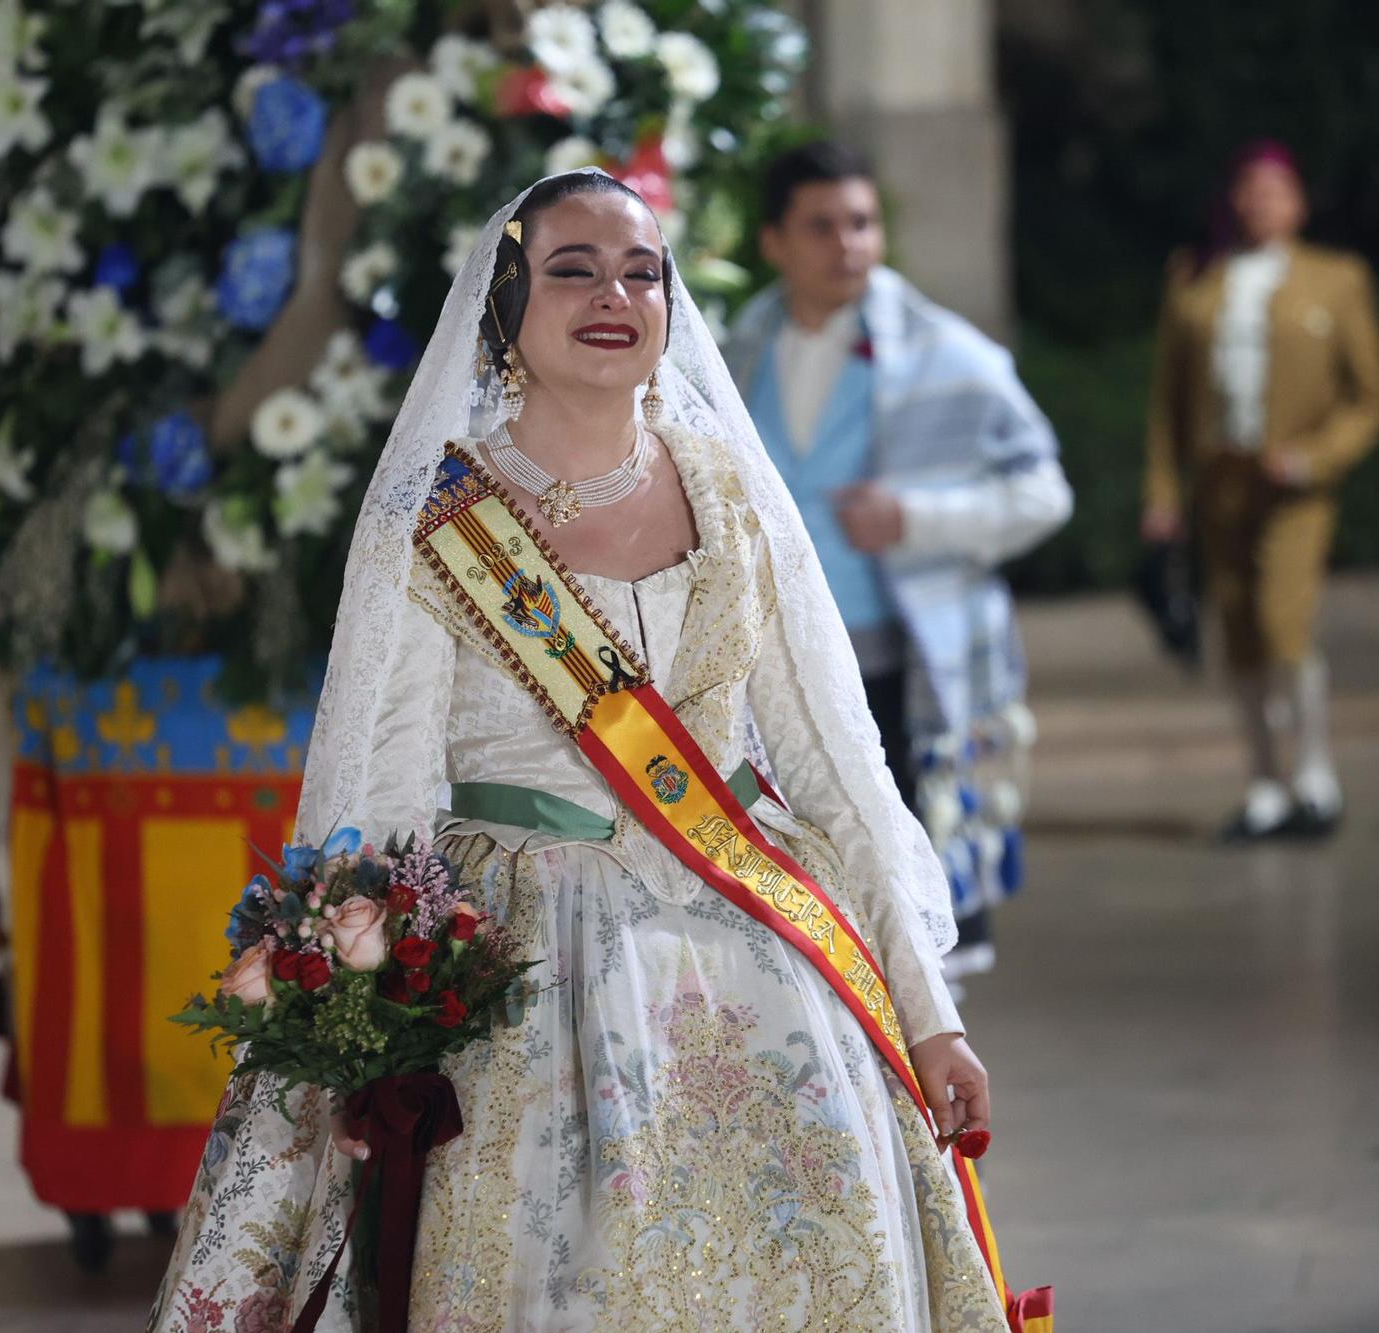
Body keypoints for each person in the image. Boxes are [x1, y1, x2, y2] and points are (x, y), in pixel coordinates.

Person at [150, 170, 1019, 1332]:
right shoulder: (438, 514)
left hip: (757, 950)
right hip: (517, 973)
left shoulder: (735, 496)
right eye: (571, 270)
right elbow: (383, 793)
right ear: (505, 305)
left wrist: (928, 1012)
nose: (613, 294)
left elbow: (833, 767)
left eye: (640, 272)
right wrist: (362, 1036)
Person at [724, 142, 1071, 986]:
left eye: (863, 222)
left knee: (911, 889)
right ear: (774, 241)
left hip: (894, 666)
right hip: (763, 666)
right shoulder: (735, 354)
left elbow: (1045, 492)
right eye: (822, 226)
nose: (849, 244)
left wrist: (915, 517)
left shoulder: (947, 353)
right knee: (790, 890)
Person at [1142, 140, 1379, 841]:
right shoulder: (1196, 276)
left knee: (1285, 622)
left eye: (1275, 190)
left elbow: (1368, 398)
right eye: (1248, 190)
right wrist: (1163, 490)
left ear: (1299, 201)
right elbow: (1169, 398)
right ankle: (1263, 780)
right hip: (1220, 480)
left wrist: (1315, 457)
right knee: (1239, 632)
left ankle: (1314, 771)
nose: (1260, 203)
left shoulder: (1335, 278)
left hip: (1292, 485)